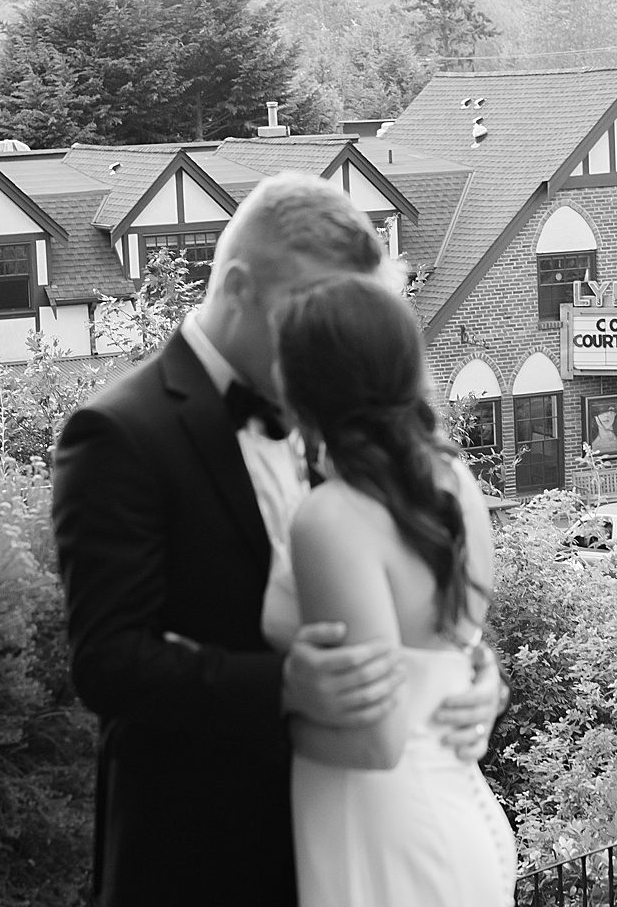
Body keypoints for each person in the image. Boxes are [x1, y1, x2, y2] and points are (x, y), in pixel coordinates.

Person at [52, 174, 505, 907]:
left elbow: (409, 584)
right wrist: (285, 686)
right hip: (205, 853)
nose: (328, 336)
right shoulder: (119, 434)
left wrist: (466, 675)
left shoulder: (345, 419)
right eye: (312, 308)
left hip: (356, 835)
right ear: (238, 285)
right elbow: (107, 660)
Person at [264, 272, 517, 907]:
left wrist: (271, 717)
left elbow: (375, 740)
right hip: (457, 812)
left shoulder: (333, 518)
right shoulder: (454, 481)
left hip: (388, 832)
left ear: (301, 389)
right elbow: (459, 650)